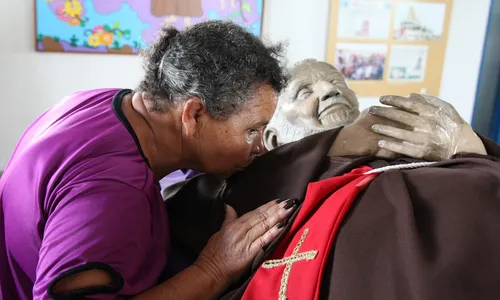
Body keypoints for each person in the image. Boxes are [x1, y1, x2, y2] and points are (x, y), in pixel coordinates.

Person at [0, 21, 298, 300]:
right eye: (252, 130)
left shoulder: (100, 101)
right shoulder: (114, 193)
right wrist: (214, 269)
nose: (260, 146)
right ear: (193, 114)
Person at [164, 95, 500, 299]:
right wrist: (328, 146)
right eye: (306, 91)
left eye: (336, 87)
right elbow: (188, 209)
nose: (327, 96)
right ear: (271, 136)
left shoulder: (434, 157)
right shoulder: (251, 185)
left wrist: (469, 147)